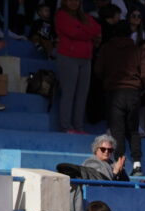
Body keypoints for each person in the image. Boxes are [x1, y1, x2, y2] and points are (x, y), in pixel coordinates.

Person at [99, 24, 145, 176]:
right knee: (133, 130)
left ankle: (119, 165)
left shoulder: (106, 49)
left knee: (118, 131)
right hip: (133, 93)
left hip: (114, 92)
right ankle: (137, 164)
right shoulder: (137, 50)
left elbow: (98, 70)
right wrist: (140, 86)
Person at [55, 0, 101, 134]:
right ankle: (66, 126)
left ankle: (79, 126)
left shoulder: (84, 16)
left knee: (82, 95)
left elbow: (97, 29)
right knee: (69, 93)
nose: (74, 2)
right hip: (68, 56)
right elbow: (74, 33)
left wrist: (82, 29)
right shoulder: (61, 15)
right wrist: (88, 32)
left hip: (86, 58)